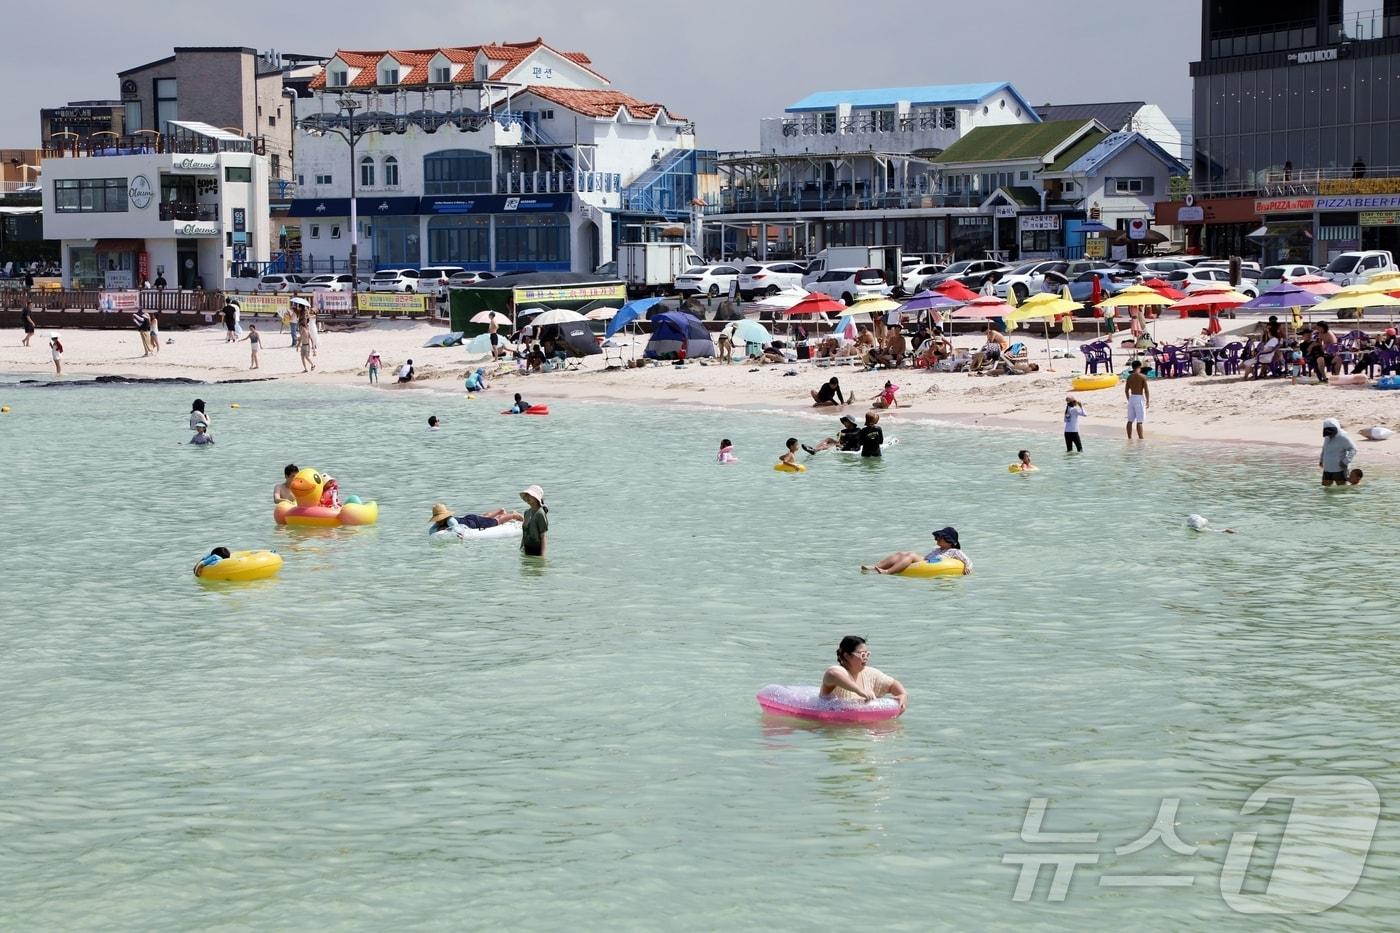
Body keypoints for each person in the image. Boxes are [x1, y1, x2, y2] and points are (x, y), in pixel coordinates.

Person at [819, 636, 908, 711]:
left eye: (867, 654)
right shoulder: (839, 671)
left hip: (862, 725)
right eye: (862, 654)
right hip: (836, 724)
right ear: (847, 656)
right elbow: (832, 673)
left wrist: (902, 695)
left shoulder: (870, 673)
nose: (865, 658)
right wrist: (860, 691)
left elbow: (893, 684)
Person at [861, 526, 973, 575]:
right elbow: (926, 559)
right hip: (927, 561)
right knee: (902, 553)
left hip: (931, 564)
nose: (936, 539)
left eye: (939, 538)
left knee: (911, 555)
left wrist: (968, 567)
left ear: (949, 541)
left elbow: (967, 560)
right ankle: (876, 566)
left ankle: (887, 571)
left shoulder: (954, 552)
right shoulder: (938, 549)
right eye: (936, 537)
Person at [429, 502, 524, 535]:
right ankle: (500, 511)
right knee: (485, 517)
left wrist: (446, 529)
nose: (437, 521)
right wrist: (438, 528)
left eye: (439, 518)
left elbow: (456, 528)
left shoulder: (450, 520)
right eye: (437, 519)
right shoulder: (439, 523)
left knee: (496, 521)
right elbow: (431, 531)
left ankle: (513, 515)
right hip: (470, 519)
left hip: (474, 523)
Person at [1319, 418, 1357, 487]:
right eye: (1328, 433)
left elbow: (1353, 449)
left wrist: (1345, 461)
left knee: (1342, 490)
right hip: (1327, 468)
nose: (1330, 435)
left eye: (1332, 433)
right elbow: (1324, 448)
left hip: (1339, 469)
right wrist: (1321, 460)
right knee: (1325, 489)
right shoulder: (1327, 436)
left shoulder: (1343, 437)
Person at [519, 485, 549, 557]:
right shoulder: (527, 513)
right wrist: (521, 548)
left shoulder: (540, 514)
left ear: (536, 498)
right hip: (526, 549)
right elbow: (525, 533)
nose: (528, 497)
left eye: (530, 495)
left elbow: (543, 536)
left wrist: (542, 557)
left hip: (537, 551)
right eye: (527, 495)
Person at [1124, 360, 1149, 439]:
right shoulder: (1142, 377)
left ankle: (1129, 438)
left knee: (1130, 420)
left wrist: (1129, 399)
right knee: (1139, 421)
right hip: (1139, 398)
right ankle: (1141, 438)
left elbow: (1126, 391)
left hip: (1132, 398)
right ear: (1139, 367)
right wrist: (1148, 401)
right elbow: (1146, 390)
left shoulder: (1129, 377)